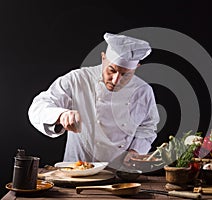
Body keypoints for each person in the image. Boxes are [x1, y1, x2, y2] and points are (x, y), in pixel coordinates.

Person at [28, 32, 160, 168]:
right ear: (103, 58)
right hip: (77, 171)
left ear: (136, 68)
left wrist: (135, 150)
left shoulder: (143, 91)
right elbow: (38, 106)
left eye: (125, 74)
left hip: (119, 173)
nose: (116, 80)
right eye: (112, 70)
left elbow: (148, 126)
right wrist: (61, 115)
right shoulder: (78, 79)